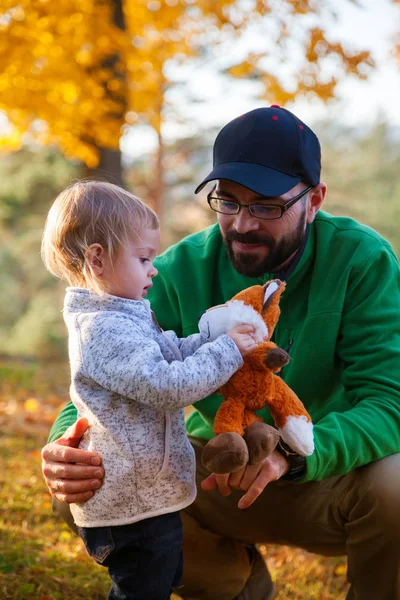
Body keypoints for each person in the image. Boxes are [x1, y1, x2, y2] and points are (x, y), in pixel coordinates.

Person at [41, 107, 400, 600]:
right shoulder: (176, 269)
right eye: (227, 202)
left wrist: (291, 455)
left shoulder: (362, 260)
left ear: (314, 200)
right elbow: (106, 373)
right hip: (217, 475)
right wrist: (65, 443)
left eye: (266, 206)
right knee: (91, 480)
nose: (242, 224)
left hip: (329, 476)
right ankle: (237, 586)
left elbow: (390, 400)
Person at [40, 180, 263, 600]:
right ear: (97, 259)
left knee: (159, 579)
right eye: (143, 258)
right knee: (142, 589)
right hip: (129, 506)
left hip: (147, 496)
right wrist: (228, 352)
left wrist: (214, 340)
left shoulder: (126, 315)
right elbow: (166, 386)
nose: (153, 269)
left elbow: (169, 352)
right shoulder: (102, 329)